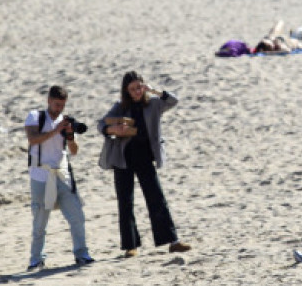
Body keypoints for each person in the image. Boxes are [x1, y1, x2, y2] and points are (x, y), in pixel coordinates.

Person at [98, 71, 191, 257]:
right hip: (123, 159)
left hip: (145, 157)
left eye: (140, 87)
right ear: (126, 91)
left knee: (156, 198)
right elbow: (101, 125)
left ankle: (173, 241)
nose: (137, 91)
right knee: (126, 202)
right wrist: (113, 129)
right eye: (133, 89)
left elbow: (174, 101)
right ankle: (130, 246)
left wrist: (154, 90)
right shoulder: (120, 107)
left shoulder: (154, 104)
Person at [24, 85, 93, 270]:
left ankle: (82, 254)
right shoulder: (35, 117)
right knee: (40, 219)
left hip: (62, 173)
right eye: (56, 104)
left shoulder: (65, 120)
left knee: (77, 215)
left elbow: (74, 151)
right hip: (40, 174)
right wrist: (56, 130)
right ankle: (36, 258)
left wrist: (70, 136)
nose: (59, 109)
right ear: (48, 101)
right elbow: (32, 139)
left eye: (62, 105)